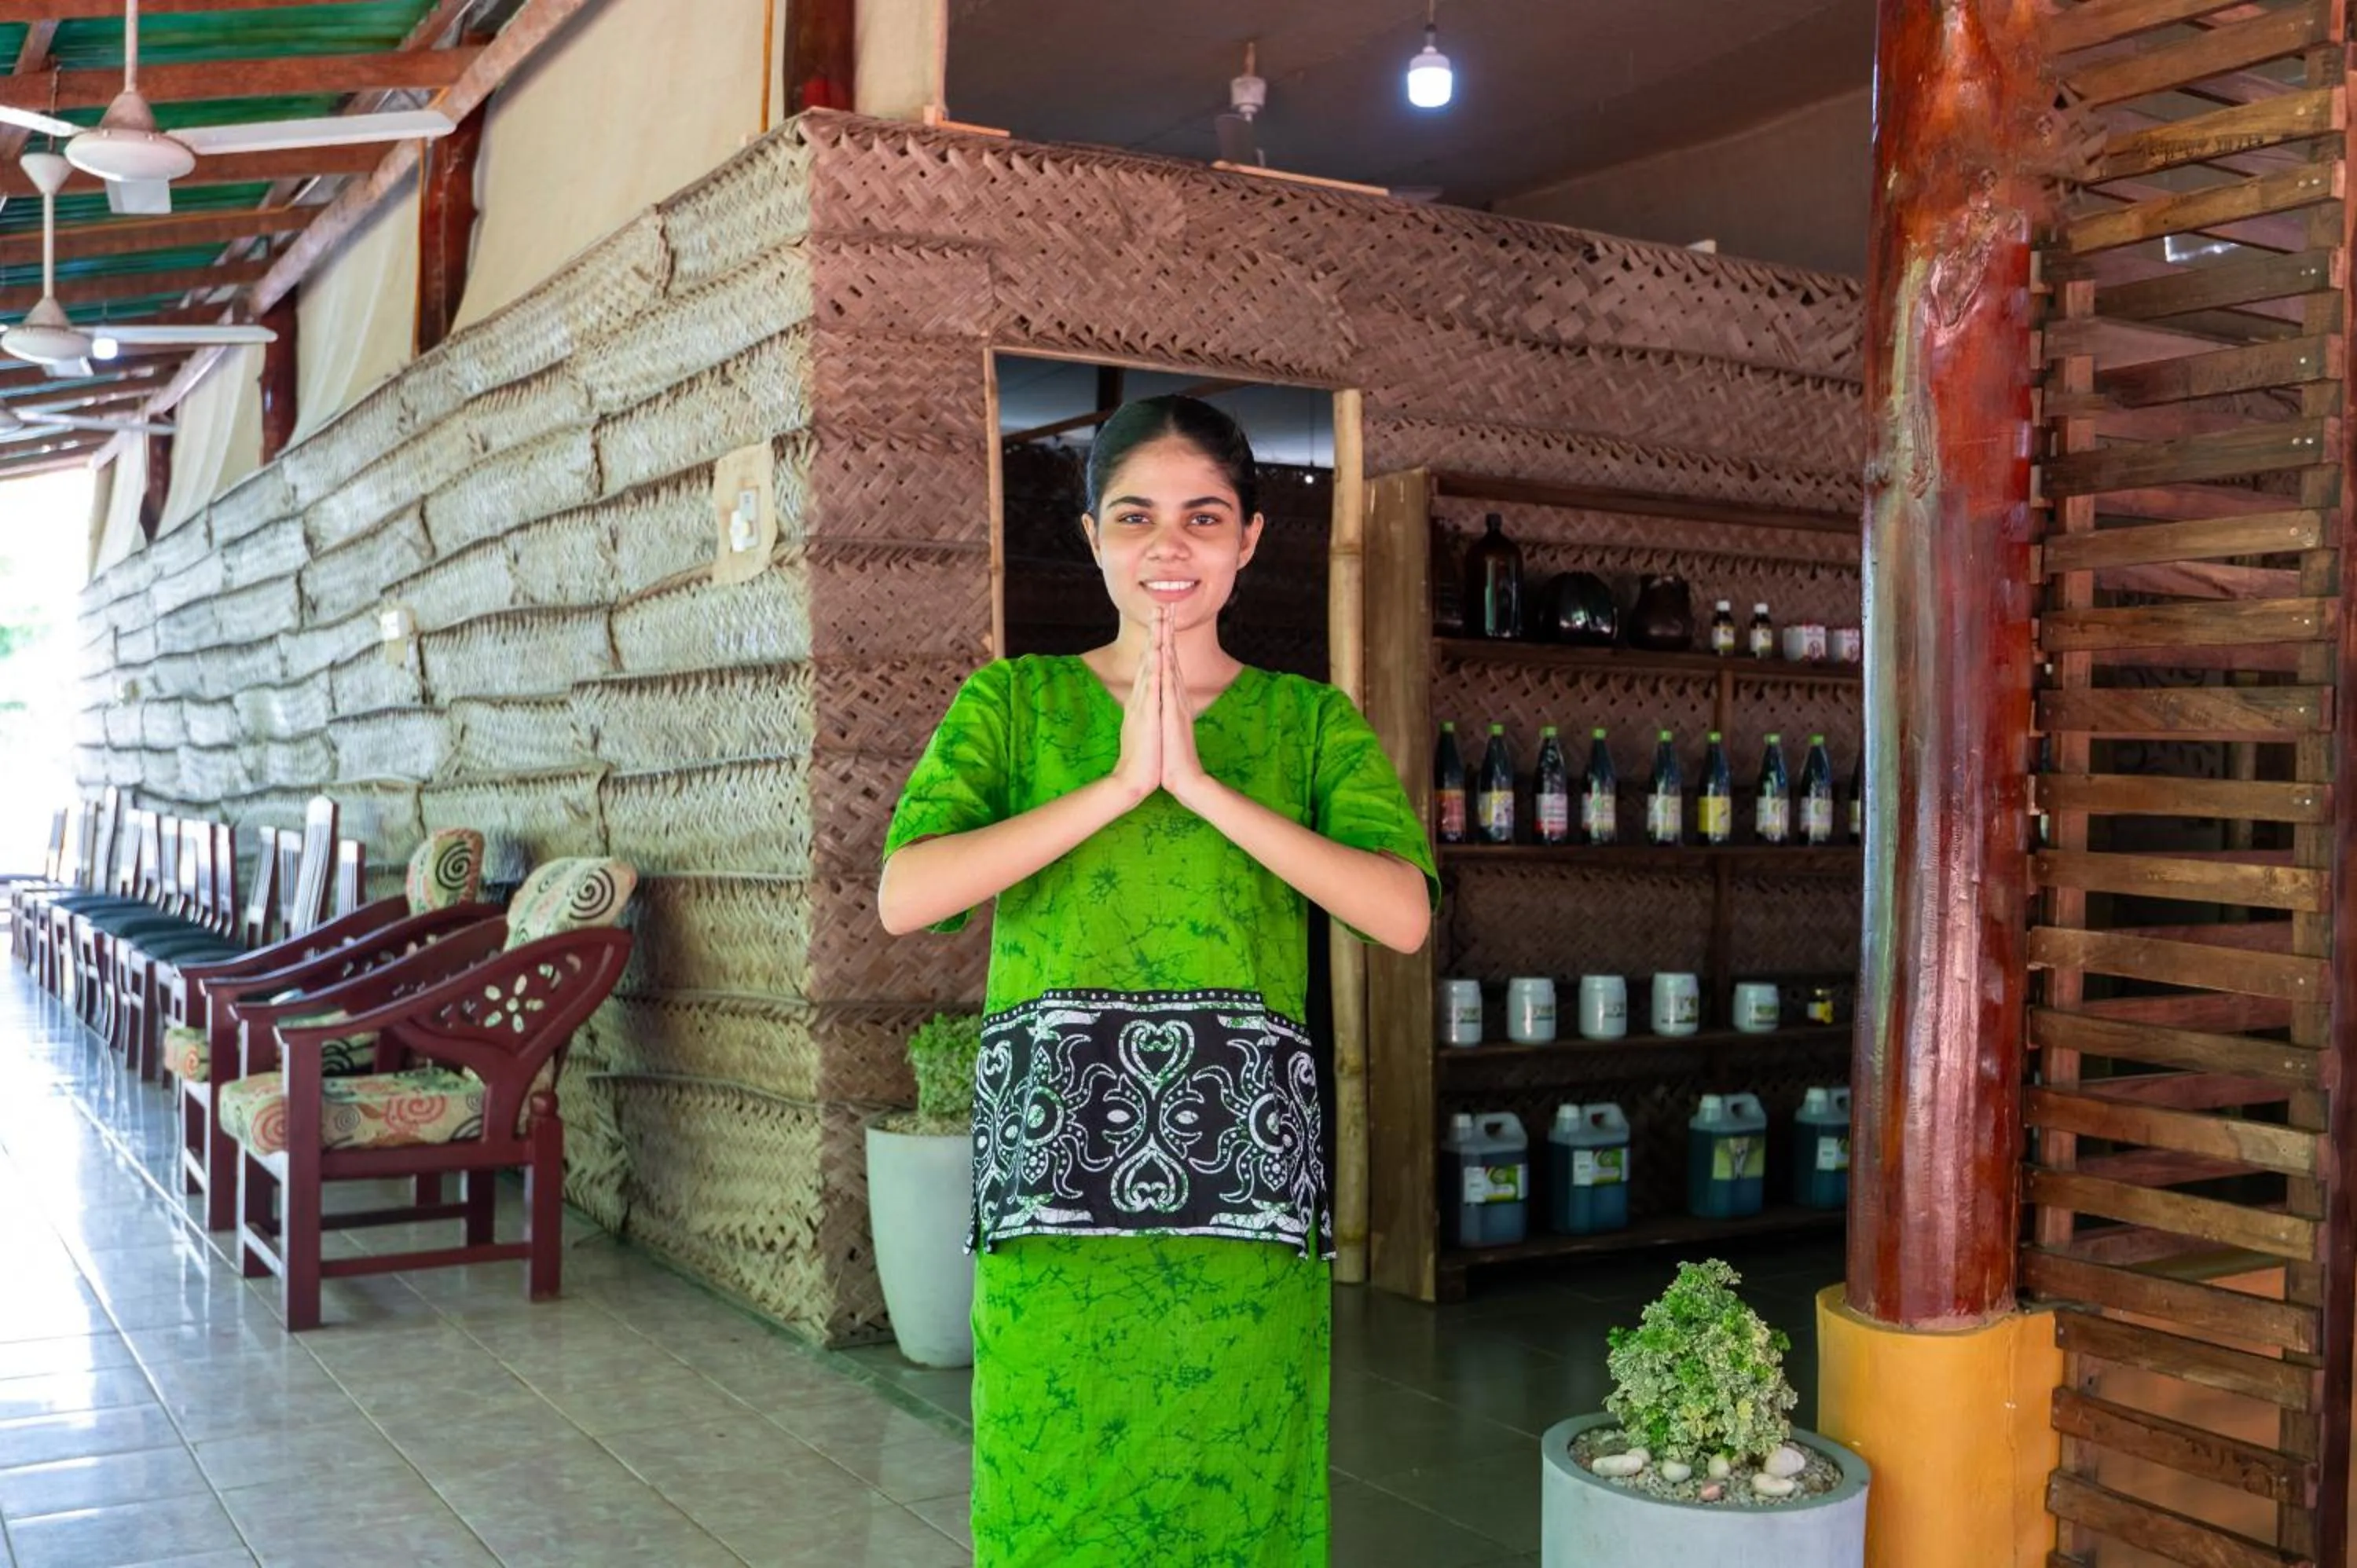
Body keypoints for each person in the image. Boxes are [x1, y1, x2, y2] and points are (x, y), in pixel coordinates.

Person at [877, 394, 1437, 1566]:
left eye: (1203, 516)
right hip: (1055, 1200)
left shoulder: (1305, 724)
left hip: (1242, 1198)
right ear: (1091, 538)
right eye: (1135, 516)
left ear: (1249, 541)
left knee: (1234, 1477)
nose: (1168, 545)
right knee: (1053, 1488)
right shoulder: (1015, 705)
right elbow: (908, 894)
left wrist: (1202, 789)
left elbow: (1401, 914)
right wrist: (1117, 789)